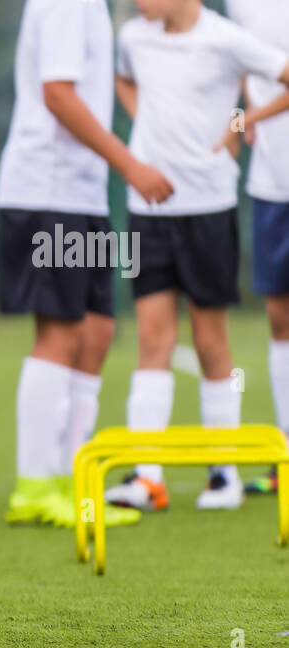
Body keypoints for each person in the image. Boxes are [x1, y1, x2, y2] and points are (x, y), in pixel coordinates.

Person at [105, 0, 289, 513]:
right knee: (152, 339)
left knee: (211, 342)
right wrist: (150, 126)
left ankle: (222, 475)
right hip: (148, 209)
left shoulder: (225, 38)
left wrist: (244, 120)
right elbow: (124, 81)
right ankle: (147, 479)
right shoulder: (134, 40)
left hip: (209, 207)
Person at [0, 0, 173, 528]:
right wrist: (130, 164)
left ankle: (75, 482)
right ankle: (34, 485)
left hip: (84, 198)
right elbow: (57, 96)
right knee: (60, 334)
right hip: (47, 192)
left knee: (95, 333)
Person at [226, 0, 289, 496]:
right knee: (278, 318)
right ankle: (285, 458)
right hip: (271, 183)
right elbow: (243, 66)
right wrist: (245, 112)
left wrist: (249, 119)